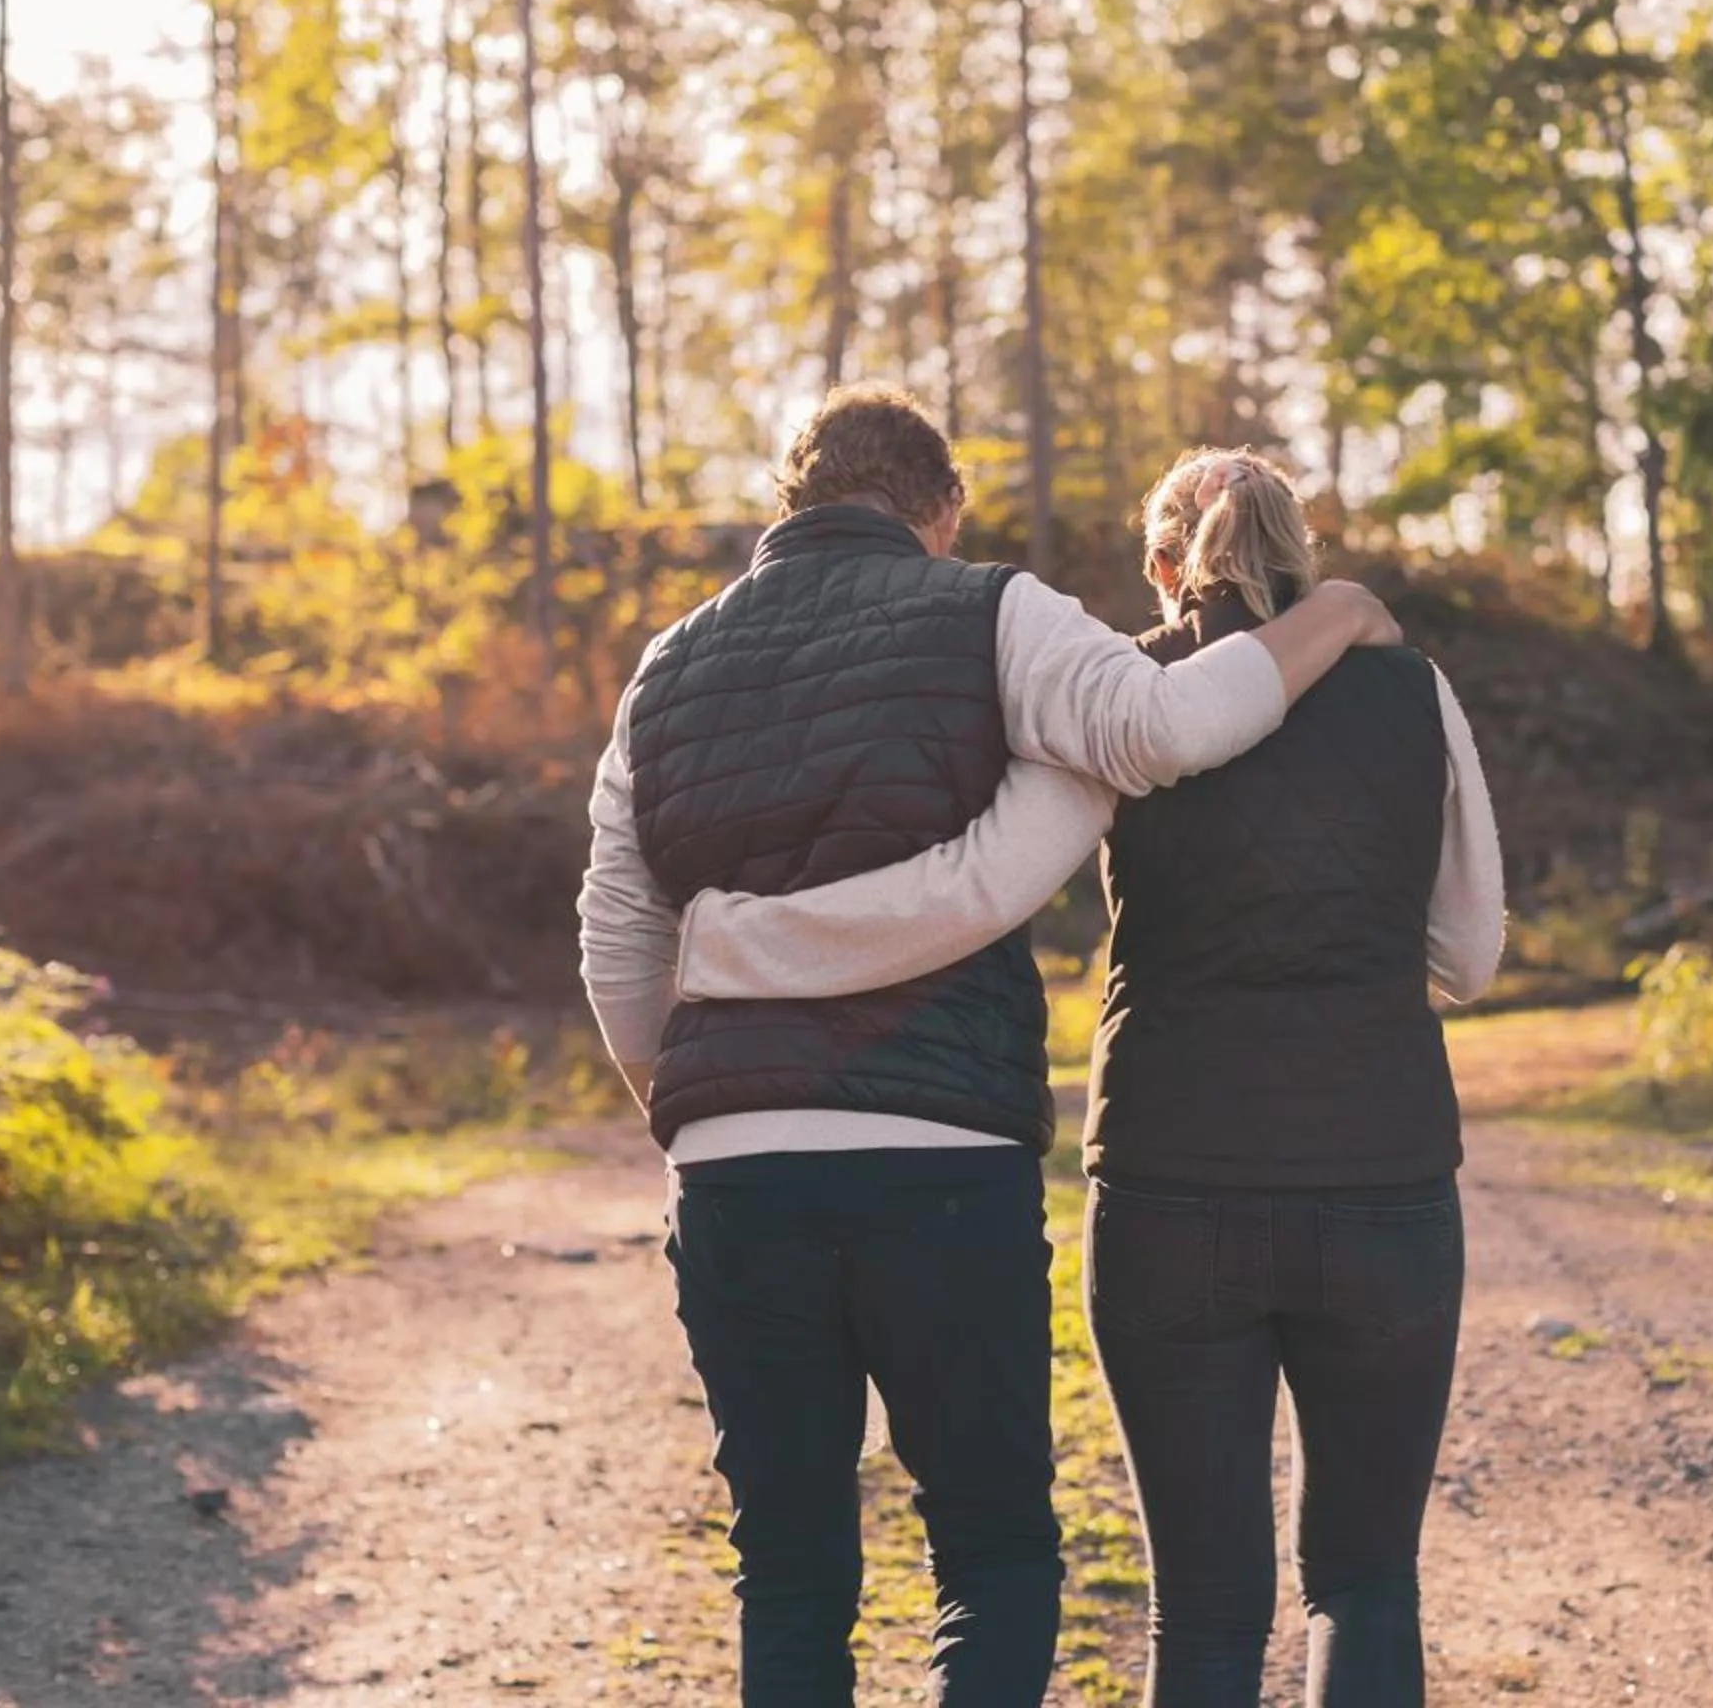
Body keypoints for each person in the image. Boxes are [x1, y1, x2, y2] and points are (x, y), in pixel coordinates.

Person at [576, 396, 1409, 1708]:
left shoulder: (665, 667)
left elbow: (617, 937)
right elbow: (1165, 732)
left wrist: (702, 1111)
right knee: (993, 1552)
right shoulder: (991, 610)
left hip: (735, 1170)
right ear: (943, 506)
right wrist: (1340, 613)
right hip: (938, 1163)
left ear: (784, 503)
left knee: (787, 1573)